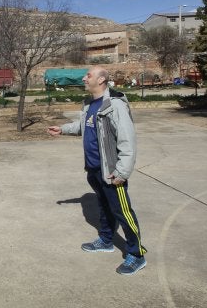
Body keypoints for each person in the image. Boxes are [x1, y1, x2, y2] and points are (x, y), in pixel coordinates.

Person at [47, 66, 147, 276]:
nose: (84, 78)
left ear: (101, 79)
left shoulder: (115, 105)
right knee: (103, 206)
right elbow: (85, 126)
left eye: (88, 75)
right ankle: (106, 240)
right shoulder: (89, 105)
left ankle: (136, 254)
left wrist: (121, 172)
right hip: (94, 169)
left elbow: (127, 141)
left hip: (111, 172)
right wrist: (63, 129)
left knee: (123, 212)